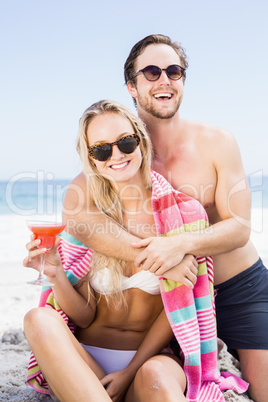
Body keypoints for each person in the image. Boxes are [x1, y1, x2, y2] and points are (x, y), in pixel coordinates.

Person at [62, 36, 268, 402]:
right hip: (170, 300)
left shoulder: (217, 142)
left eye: (174, 71)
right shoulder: (122, 153)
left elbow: (239, 227)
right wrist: (162, 263)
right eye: (152, 72)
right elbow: (78, 216)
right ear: (132, 86)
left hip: (238, 290)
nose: (164, 80)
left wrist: (179, 245)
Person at [24, 100, 247, 402]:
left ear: (141, 141)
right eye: (101, 149)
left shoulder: (184, 213)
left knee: (156, 377)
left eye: (125, 143)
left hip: (150, 361)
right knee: (38, 318)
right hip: (86, 362)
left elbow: (180, 308)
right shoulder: (90, 217)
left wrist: (129, 372)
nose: (115, 155)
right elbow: (85, 317)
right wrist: (56, 275)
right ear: (91, 159)